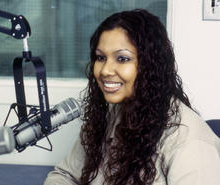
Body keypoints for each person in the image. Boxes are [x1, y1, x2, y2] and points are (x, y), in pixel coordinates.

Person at [44, 9, 220, 185]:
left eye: (122, 59)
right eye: (100, 57)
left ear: (150, 65)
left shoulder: (190, 141)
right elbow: (64, 176)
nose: (105, 70)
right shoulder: (110, 116)